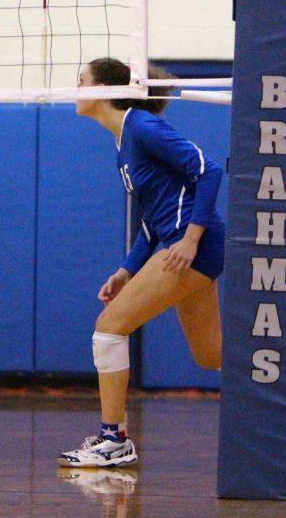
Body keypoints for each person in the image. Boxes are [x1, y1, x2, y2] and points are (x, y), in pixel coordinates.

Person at [58, 58, 224, 468]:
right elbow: (151, 219)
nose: (76, 89)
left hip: (190, 246)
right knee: (212, 355)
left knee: (109, 328)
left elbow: (209, 170)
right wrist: (127, 269)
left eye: (82, 81)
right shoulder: (123, 142)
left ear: (104, 91)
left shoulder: (141, 126)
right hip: (179, 243)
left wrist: (189, 239)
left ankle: (113, 439)